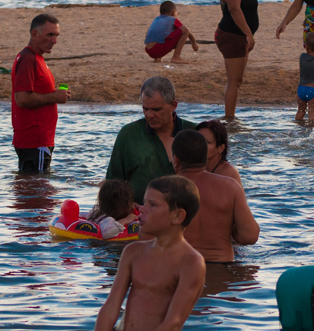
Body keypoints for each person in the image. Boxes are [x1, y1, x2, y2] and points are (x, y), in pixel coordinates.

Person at [17, 176, 232, 331]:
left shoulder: (191, 262)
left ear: (177, 216)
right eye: (143, 202)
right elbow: (110, 309)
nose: (140, 209)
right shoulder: (133, 252)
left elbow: (172, 324)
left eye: (152, 205)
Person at [172, 129, 259, 264]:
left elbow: (148, 236)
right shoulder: (230, 186)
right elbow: (250, 236)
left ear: (175, 160)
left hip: (181, 268)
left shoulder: (164, 189)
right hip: (222, 268)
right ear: (205, 157)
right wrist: (226, 225)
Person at [106, 76, 195, 204]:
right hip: (140, 216)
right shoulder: (128, 134)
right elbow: (112, 185)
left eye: (156, 109)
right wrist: (127, 206)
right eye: (145, 109)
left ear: (173, 106)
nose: (150, 115)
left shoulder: (194, 132)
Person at [11, 14, 68, 173]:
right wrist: (55, 97)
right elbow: (21, 98)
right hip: (35, 140)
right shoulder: (28, 59)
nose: (54, 41)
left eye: (56, 36)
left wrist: (55, 95)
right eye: (50, 35)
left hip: (36, 141)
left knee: (31, 188)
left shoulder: (36, 58)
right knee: (38, 191)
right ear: (35, 34)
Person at [216, 0, 259, 119]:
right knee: (234, 81)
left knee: (237, 80)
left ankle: (230, 116)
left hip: (236, 35)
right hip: (233, 35)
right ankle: (229, 118)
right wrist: (248, 34)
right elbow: (234, 10)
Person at [195, 120, 242, 185]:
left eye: (207, 142)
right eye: (198, 140)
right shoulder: (192, 167)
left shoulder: (228, 173)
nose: (200, 145)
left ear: (221, 148)